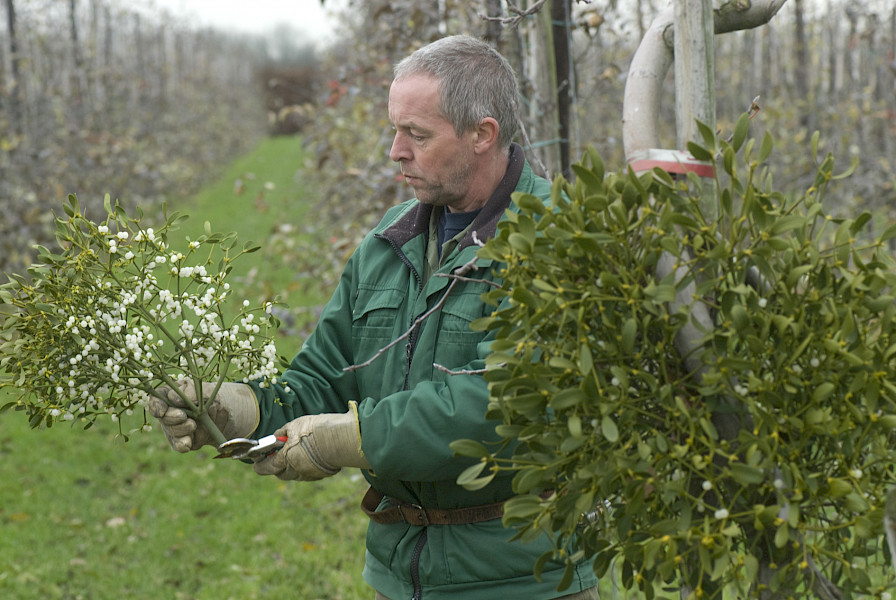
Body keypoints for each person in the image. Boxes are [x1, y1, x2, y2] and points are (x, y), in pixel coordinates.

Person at [148, 34, 600, 600]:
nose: (395, 151)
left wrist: (350, 440)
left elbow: (500, 407)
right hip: (399, 574)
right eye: (396, 129)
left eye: (417, 134)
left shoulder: (552, 240)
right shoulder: (390, 244)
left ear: (482, 134)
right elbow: (324, 377)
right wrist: (240, 409)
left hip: (521, 580)